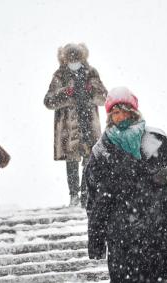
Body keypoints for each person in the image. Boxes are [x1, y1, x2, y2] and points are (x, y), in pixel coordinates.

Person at [85, 87, 167, 283]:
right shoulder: (101, 150)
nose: (119, 116)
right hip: (122, 231)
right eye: (114, 112)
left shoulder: (156, 139)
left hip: (158, 224)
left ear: (133, 111)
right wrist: (96, 237)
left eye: (123, 110)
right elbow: (94, 198)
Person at [44, 43, 107, 207]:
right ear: (65, 59)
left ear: (82, 58)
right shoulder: (60, 75)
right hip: (68, 128)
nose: (74, 61)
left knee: (89, 161)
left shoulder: (91, 73)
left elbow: (104, 97)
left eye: (76, 58)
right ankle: (74, 196)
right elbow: (48, 101)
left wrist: (91, 90)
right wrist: (65, 93)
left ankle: (86, 196)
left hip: (88, 124)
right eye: (71, 58)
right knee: (71, 162)